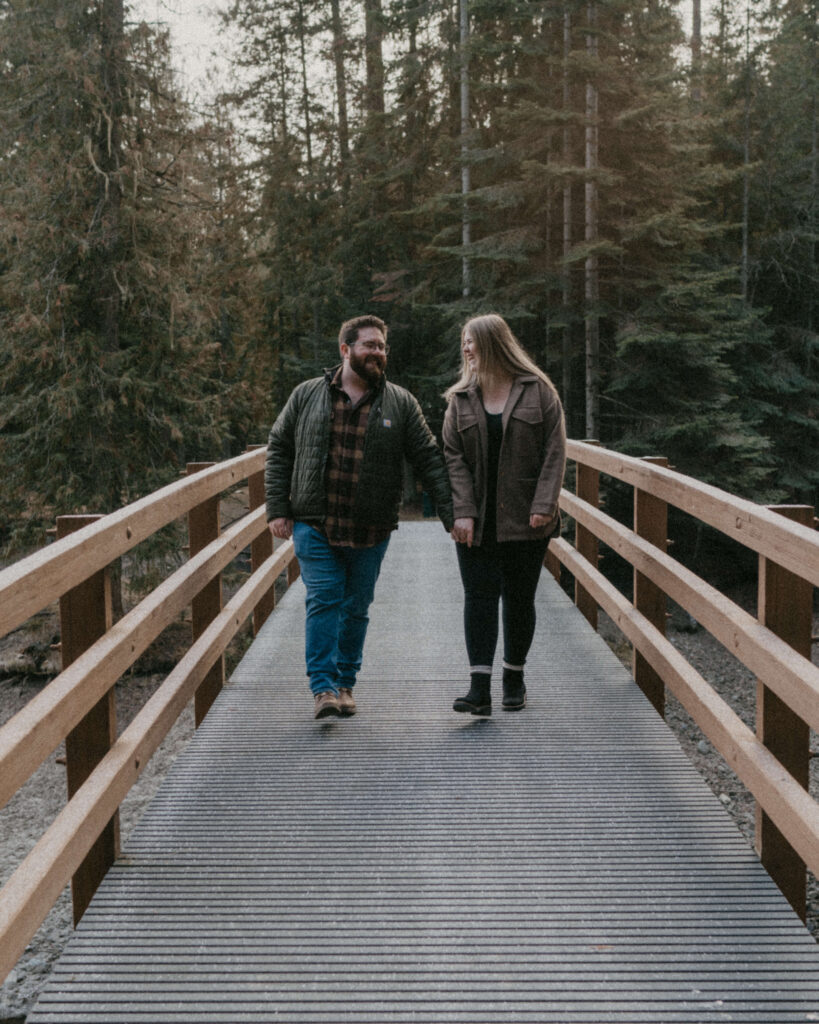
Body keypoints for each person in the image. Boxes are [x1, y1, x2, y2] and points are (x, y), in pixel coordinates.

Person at [265, 314, 454, 720]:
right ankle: (323, 688)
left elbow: (427, 457)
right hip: (314, 520)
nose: (378, 352)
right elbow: (279, 447)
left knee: (357, 605)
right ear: (345, 349)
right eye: (369, 344)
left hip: (371, 526)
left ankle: (346, 682)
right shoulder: (307, 395)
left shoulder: (401, 403)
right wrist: (278, 509)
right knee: (324, 596)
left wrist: (452, 513)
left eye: (382, 346)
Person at [442, 313, 566, 716]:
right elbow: (453, 458)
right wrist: (462, 511)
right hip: (476, 523)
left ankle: (514, 676)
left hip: (526, 519)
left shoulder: (538, 391)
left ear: (493, 342)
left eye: (471, 341)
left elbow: (555, 451)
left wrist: (544, 504)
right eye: (463, 341)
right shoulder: (460, 399)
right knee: (478, 598)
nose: (465, 348)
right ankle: (479, 689)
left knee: (518, 598)